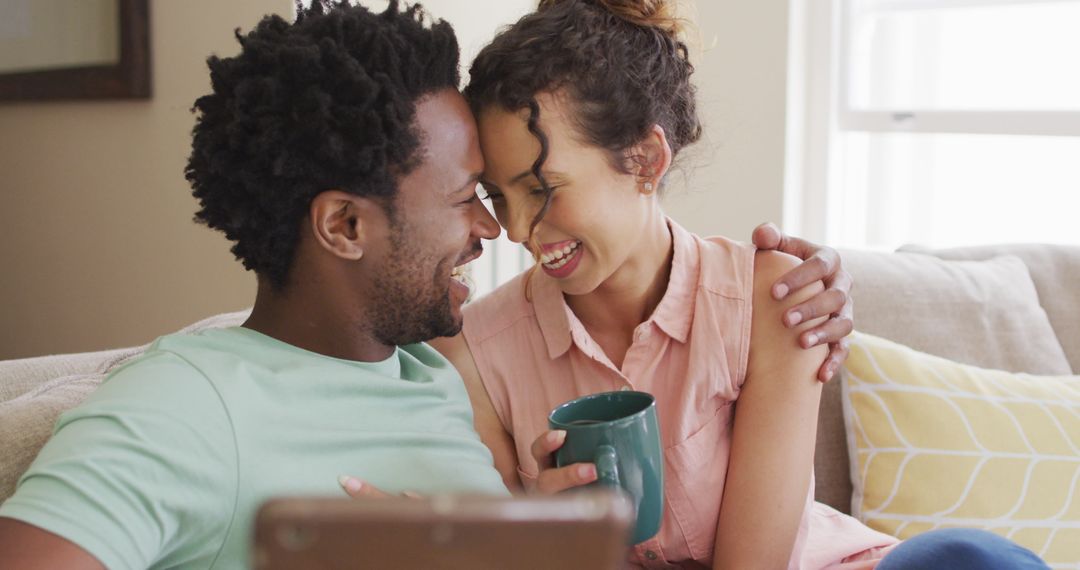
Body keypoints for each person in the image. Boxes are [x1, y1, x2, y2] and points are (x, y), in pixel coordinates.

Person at [0, 2, 854, 568]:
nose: (498, 232)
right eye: (468, 201)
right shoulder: (186, 403)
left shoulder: (441, 378)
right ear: (344, 226)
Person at [342, 1, 1050, 569]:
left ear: (646, 159)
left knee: (965, 557)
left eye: (544, 189)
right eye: (500, 197)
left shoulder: (775, 297)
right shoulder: (476, 355)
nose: (522, 229)